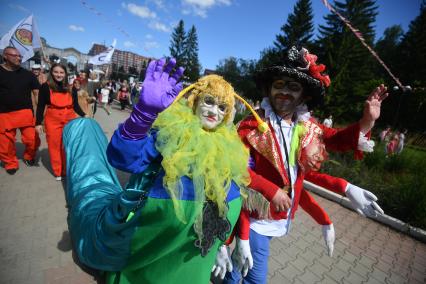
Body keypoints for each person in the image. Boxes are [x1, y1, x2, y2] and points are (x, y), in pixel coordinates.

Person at [63, 58, 258, 283]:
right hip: (153, 252)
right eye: (209, 102)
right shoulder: (171, 133)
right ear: (195, 101)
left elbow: (229, 196)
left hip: (195, 259)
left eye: (222, 107)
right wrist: (143, 114)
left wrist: (222, 244)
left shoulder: (231, 147)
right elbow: (123, 158)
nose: (214, 111)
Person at [222, 46, 387, 283]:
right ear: (269, 88)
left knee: (239, 268)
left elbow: (338, 139)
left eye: (293, 87)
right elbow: (236, 169)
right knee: (254, 278)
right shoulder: (251, 124)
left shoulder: (309, 127)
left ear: (304, 95)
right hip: (254, 215)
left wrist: (367, 121)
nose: (285, 92)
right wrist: (272, 191)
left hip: (281, 215)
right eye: (279, 84)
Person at [35, 63, 84, 181]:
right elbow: (41, 106)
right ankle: (58, 171)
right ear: (51, 73)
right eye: (56, 72)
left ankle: (66, 169)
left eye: (61, 72)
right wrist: (37, 123)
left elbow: (75, 105)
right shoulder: (45, 87)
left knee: (68, 145)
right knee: (54, 146)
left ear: (65, 74)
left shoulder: (71, 87)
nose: (59, 75)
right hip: (53, 119)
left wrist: (85, 115)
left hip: (69, 118)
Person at [0, 46, 41, 174]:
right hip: (4, 114)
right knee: (5, 144)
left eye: (20, 56)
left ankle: (29, 156)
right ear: (5, 56)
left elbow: (36, 93)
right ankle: (10, 162)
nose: (19, 58)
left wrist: (40, 114)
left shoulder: (28, 74)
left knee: (32, 140)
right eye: (15, 55)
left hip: (25, 113)